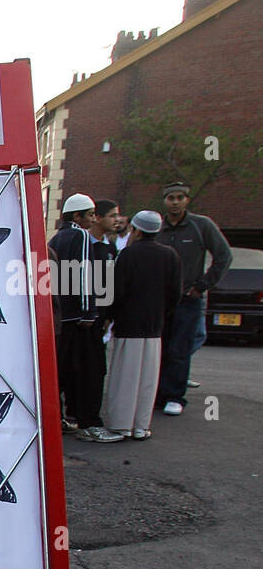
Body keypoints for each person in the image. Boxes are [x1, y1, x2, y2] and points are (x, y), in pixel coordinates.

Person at [102, 210, 182, 440]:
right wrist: (162, 313)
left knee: (125, 377)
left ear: (137, 230)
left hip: (129, 324)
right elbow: (175, 293)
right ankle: (141, 425)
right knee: (148, 380)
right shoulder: (170, 256)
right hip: (154, 326)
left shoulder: (129, 255)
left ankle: (121, 424)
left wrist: (109, 316)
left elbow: (117, 290)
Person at [154, 182, 232, 415]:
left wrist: (202, 285)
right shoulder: (158, 228)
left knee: (180, 348)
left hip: (188, 298)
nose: (175, 202)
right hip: (159, 300)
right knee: (159, 347)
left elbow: (223, 256)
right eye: (171, 198)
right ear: (165, 201)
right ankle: (157, 394)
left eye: (180, 198)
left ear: (187, 200)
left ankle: (174, 396)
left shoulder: (201, 225)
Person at [50, 193, 123, 442]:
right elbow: (84, 273)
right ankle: (90, 423)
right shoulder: (80, 235)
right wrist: (89, 311)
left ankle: (58, 418)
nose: (93, 218)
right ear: (77, 216)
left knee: (63, 371)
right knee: (90, 371)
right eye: (90, 214)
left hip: (62, 318)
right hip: (79, 317)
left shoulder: (56, 238)